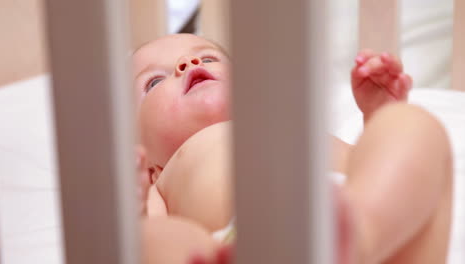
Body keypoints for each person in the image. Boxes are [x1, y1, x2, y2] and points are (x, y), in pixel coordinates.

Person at [134, 34, 452, 264]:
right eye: (154, 82)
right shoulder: (161, 178)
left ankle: (360, 235)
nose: (187, 65)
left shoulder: (300, 131)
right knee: (154, 238)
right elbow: (148, 239)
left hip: (369, 235)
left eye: (207, 58)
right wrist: (137, 211)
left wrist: (379, 117)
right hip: (243, 247)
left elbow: (366, 170)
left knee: (411, 123)